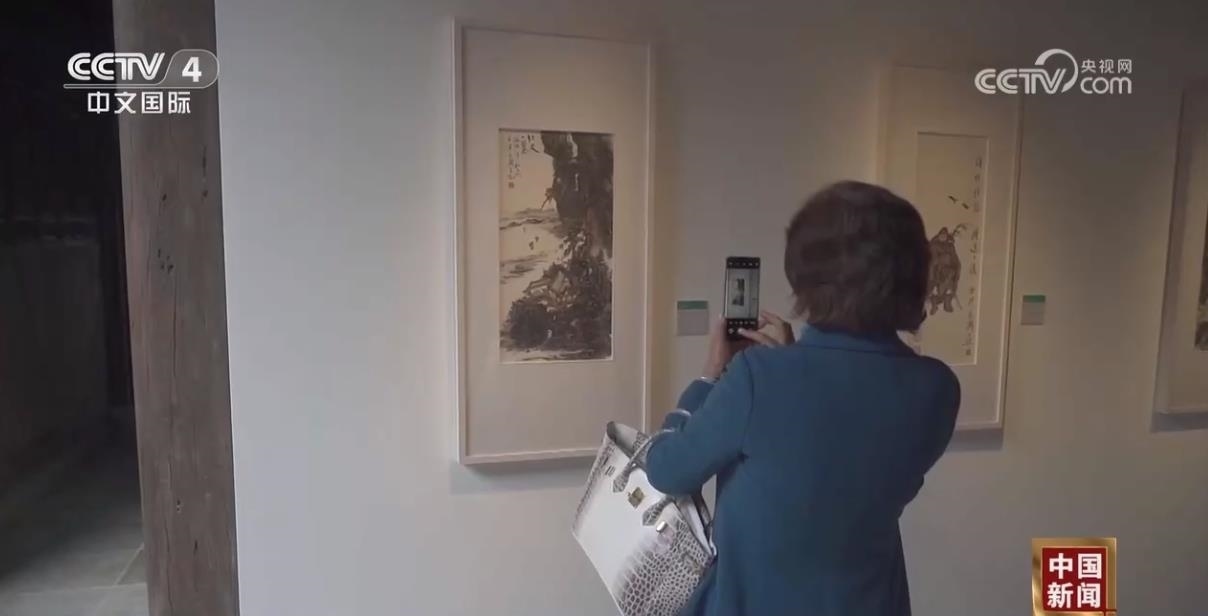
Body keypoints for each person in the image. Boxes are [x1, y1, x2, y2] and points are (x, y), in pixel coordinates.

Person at [645, 180, 960, 616]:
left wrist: (708, 378)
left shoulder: (758, 378)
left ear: (806, 275)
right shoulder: (937, 389)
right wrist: (794, 360)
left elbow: (666, 469)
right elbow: (838, 463)